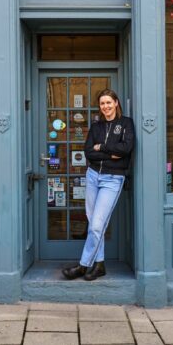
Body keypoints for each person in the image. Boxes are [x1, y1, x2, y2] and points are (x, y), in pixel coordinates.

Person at [62, 89, 135, 281]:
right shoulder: (96, 127)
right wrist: (111, 153)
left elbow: (126, 149)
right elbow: (88, 152)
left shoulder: (126, 123)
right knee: (95, 222)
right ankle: (100, 265)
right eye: (102, 104)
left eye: (109, 102)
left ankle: (83, 265)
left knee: (96, 226)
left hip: (113, 179)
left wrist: (101, 147)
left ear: (116, 103)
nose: (106, 107)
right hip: (93, 176)